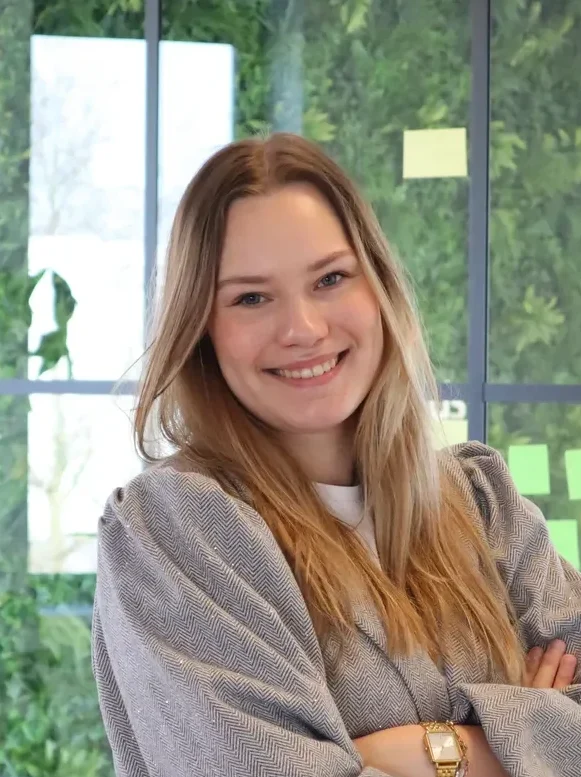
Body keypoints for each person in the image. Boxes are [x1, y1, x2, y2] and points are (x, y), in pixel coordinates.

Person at [92, 133, 581, 777]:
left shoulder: (482, 504)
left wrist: (434, 753)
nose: (304, 329)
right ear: (202, 328)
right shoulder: (175, 531)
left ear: (377, 286)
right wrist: (529, 733)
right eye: (251, 297)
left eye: (330, 278)